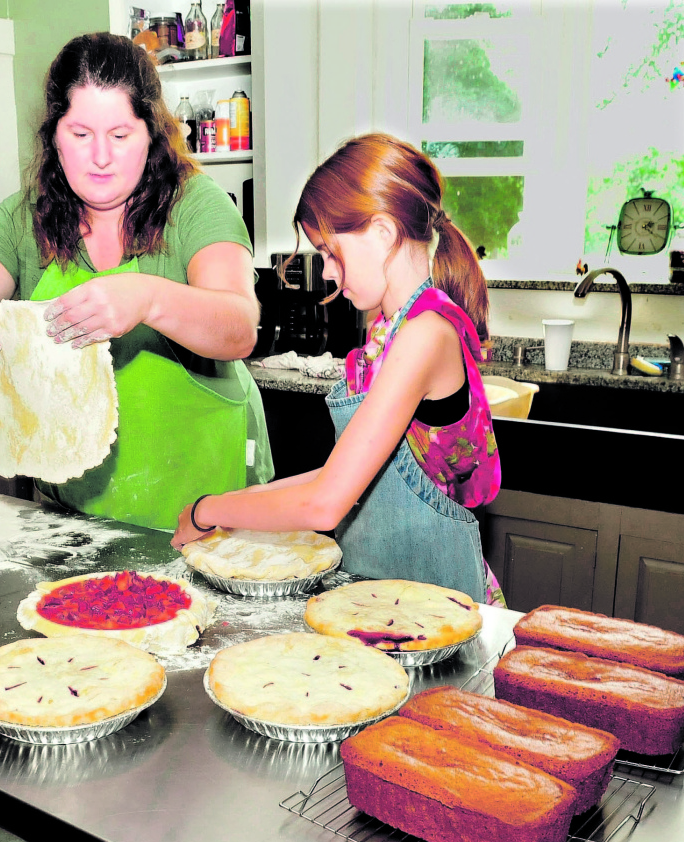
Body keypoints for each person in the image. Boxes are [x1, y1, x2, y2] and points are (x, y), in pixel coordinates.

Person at [0, 32, 272, 531]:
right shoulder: (27, 219)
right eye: (80, 133)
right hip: (76, 517)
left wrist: (149, 299)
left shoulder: (195, 206)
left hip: (208, 510)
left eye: (120, 135)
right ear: (54, 135)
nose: (100, 158)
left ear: (151, 134)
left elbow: (240, 328)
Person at [172, 133, 504, 607]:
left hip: (437, 601)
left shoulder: (426, 334)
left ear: (384, 232)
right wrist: (237, 509)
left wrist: (209, 511)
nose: (326, 272)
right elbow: (337, 474)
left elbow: (326, 501)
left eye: (330, 250)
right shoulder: (390, 333)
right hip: (387, 596)